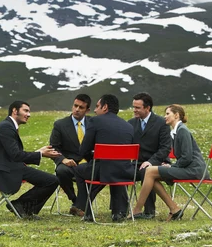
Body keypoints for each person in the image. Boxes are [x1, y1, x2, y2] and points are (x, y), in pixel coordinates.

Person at [130, 104, 208, 221]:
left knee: (149, 171)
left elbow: (187, 157)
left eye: (167, 114)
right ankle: (174, 209)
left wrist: (172, 166)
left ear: (176, 115)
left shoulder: (182, 131)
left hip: (194, 170)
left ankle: (137, 210)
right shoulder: (176, 131)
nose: (164, 117)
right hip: (188, 168)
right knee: (150, 174)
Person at [0, 100, 60, 219]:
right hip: (5, 170)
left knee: (50, 180)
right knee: (52, 181)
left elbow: (14, 154)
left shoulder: (8, 126)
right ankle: (20, 205)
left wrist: (38, 153)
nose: (29, 114)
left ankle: (25, 209)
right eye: (25, 111)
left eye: (29, 111)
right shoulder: (6, 127)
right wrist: (40, 154)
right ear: (15, 111)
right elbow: (16, 155)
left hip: (10, 167)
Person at [73, 94, 135, 222]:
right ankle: (119, 212)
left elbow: (83, 150)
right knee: (115, 170)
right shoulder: (128, 126)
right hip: (125, 172)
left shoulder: (95, 121)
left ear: (105, 107)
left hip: (102, 170)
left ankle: (86, 209)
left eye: (97, 106)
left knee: (80, 170)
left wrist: (93, 160)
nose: (95, 110)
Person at [128, 92, 171, 219]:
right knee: (118, 171)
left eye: (137, 108)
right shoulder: (130, 123)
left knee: (147, 171)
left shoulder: (161, 123)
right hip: (135, 163)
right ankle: (118, 211)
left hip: (156, 162)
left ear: (147, 108)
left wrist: (151, 161)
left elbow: (165, 148)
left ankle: (149, 212)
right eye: (133, 107)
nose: (134, 110)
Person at [49, 93, 92, 215]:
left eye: (81, 107)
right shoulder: (60, 125)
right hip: (69, 164)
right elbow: (54, 147)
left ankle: (82, 204)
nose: (77, 109)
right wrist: (63, 159)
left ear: (87, 110)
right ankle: (75, 200)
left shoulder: (93, 123)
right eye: (75, 106)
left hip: (88, 164)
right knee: (61, 171)